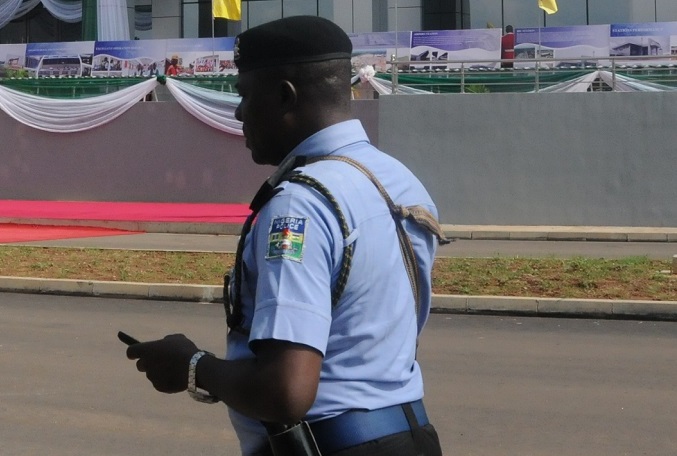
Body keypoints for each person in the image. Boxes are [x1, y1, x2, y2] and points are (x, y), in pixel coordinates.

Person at [125, 15, 446, 456]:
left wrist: (192, 365)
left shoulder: (300, 205)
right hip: (413, 436)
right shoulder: (398, 179)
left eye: (244, 95)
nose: (238, 113)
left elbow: (285, 392)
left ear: (283, 96)